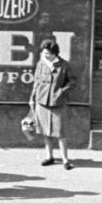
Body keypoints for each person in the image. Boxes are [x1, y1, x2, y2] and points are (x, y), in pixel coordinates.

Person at [28, 37, 74, 169]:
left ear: (54, 54)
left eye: (47, 53)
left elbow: (73, 82)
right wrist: (32, 98)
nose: (44, 55)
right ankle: (49, 157)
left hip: (58, 102)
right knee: (45, 131)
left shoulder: (64, 65)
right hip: (41, 101)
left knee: (60, 132)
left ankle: (65, 159)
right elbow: (36, 82)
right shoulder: (41, 64)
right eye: (43, 53)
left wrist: (61, 92)